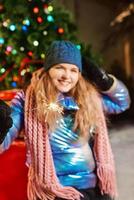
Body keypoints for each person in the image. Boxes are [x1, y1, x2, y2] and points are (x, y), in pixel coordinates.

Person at [0, 41, 130, 200]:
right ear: (48, 69)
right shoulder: (28, 99)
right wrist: (2, 128)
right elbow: (7, 134)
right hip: (56, 190)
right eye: (60, 67)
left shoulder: (88, 98)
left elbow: (122, 103)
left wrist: (105, 80)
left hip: (92, 186)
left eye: (73, 70)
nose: (66, 76)